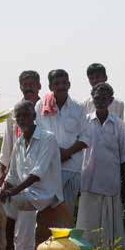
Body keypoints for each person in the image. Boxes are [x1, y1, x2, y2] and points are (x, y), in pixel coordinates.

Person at [0, 101, 66, 250]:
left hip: (45, 192)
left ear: (34, 116)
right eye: (19, 116)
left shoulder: (47, 138)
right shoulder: (19, 143)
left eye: (26, 115)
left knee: (11, 201)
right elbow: (13, 175)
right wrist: (4, 189)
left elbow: (37, 174)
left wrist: (12, 192)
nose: (22, 119)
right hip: (27, 191)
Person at [76, 83, 125, 250]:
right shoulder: (84, 121)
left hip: (110, 179)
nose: (100, 101)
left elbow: (124, 156)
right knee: (87, 219)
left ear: (111, 100)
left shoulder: (119, 124)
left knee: (110, 220)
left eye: (104, 98)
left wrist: (124, 181)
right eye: (97, 98)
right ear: (92, 99)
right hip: (88, 178)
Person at [0, 71, 42, 250]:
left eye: (32, 84)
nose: (29, 87)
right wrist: (2, 172)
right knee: (15, 213)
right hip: (16, 171)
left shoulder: (46, 108)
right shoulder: (12, 113)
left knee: (34, 217)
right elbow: (7, 144)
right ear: (20, 87)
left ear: (39, 86)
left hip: (39, 172)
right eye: (25, 84)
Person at [35, 69, 88, 214]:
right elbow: (37, 134)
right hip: (48, 167)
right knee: (45, 211)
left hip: (71, 168)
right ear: (51, 86)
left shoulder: (78, 108)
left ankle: (64, 238)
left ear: (69, 84)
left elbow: (86, 137)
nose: (61, 86)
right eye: (56, 83)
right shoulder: (41, 106)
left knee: (67, 212)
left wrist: (67, 153)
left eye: (64, 83)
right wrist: (54, 153)